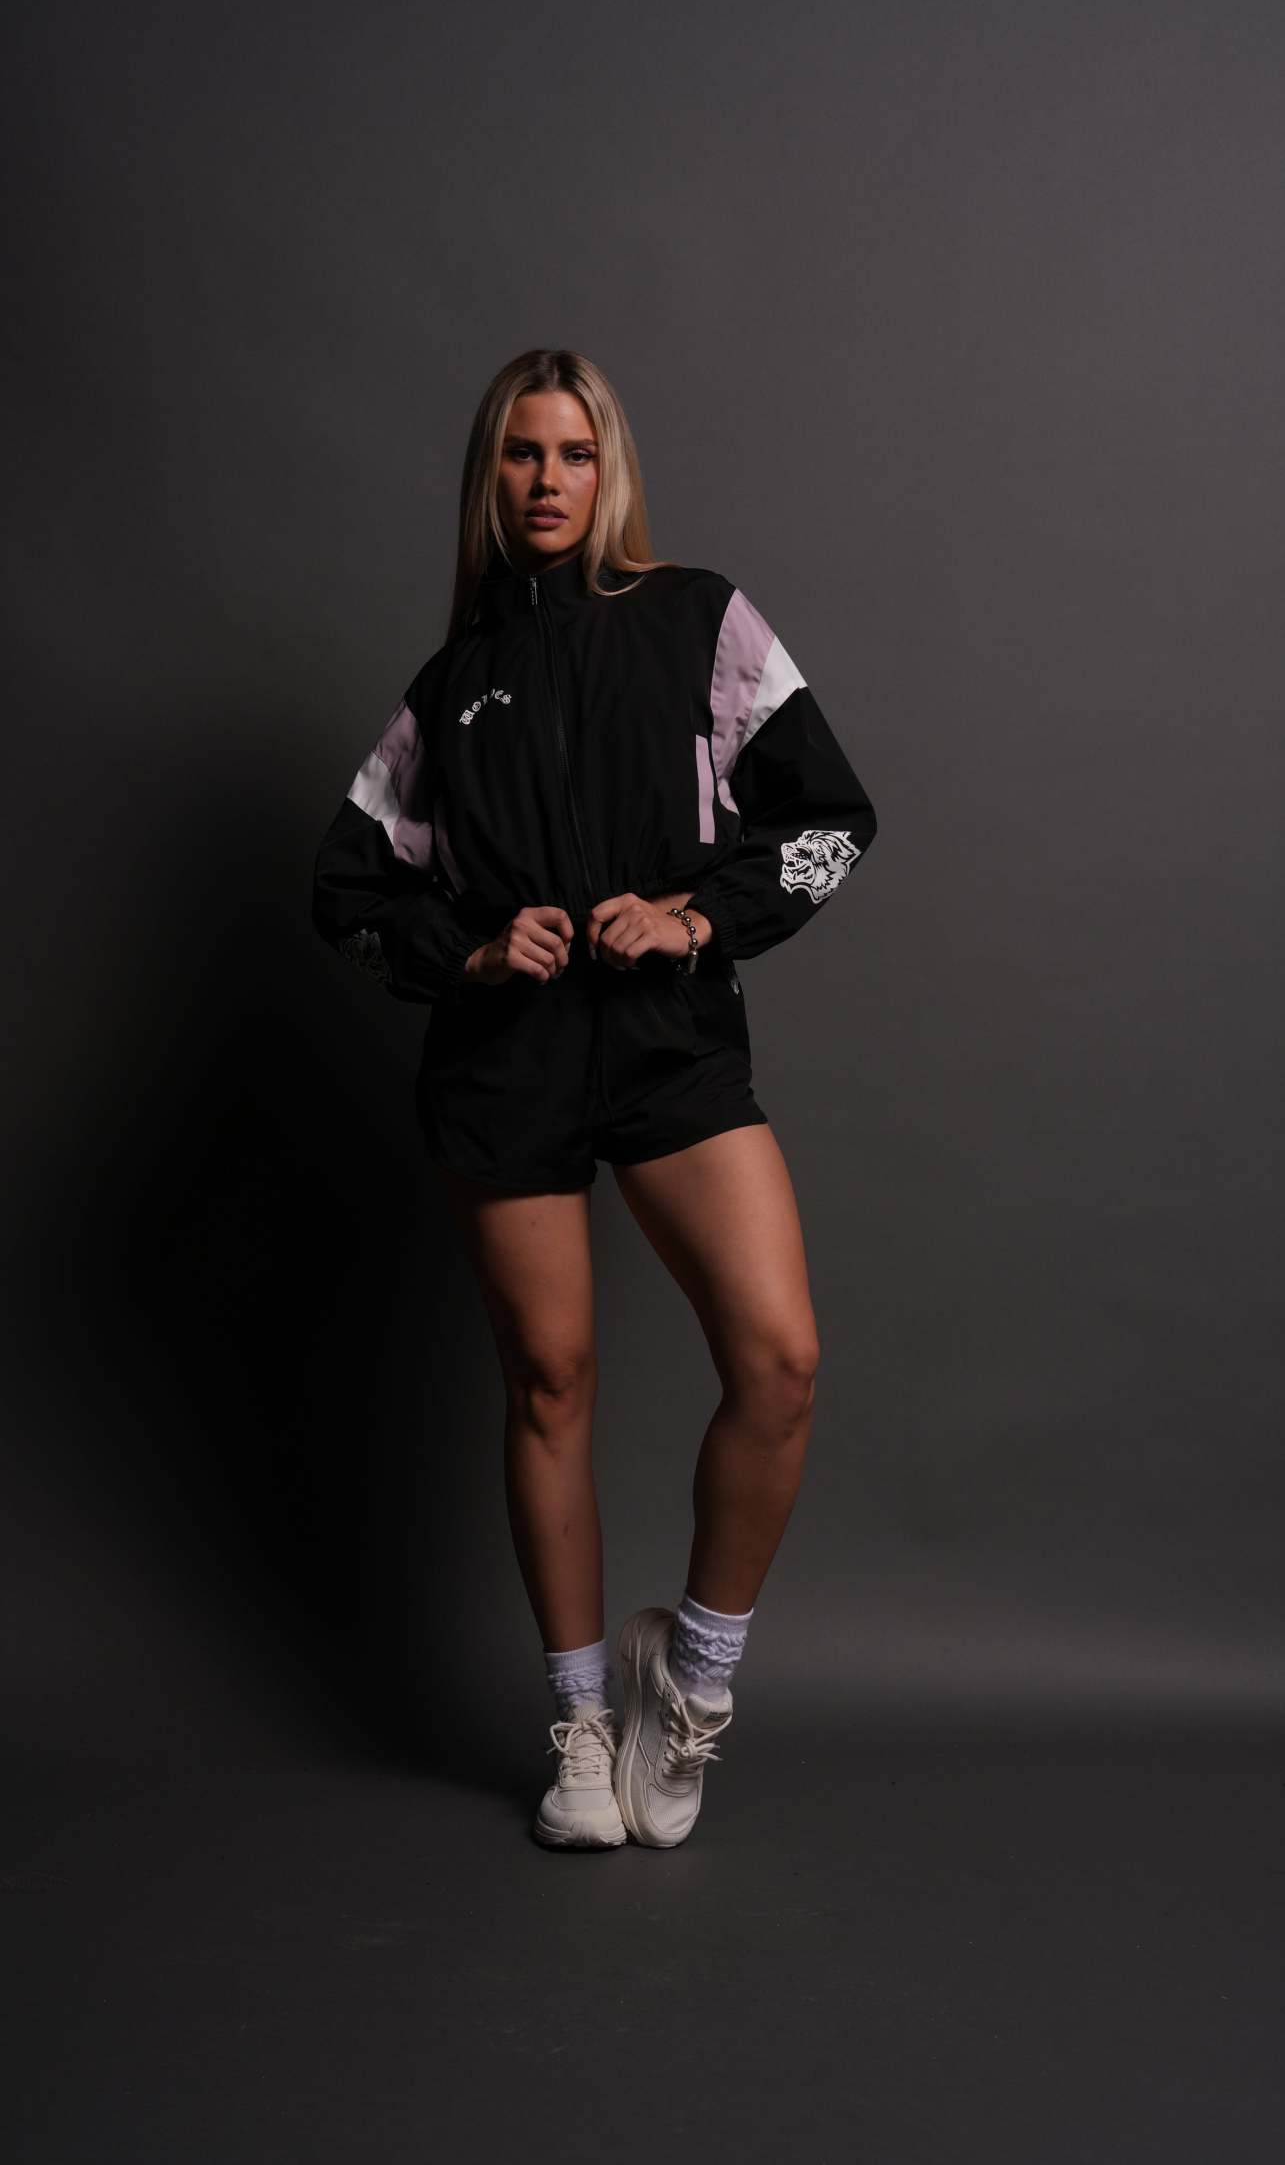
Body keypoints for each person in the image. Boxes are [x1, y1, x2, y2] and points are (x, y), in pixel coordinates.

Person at [312, 348, 878, 1850]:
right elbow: (345, 895)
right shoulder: (450, 690)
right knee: (549, 1386)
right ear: (488, 479)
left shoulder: (701, 621)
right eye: (520, 454)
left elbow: (832, 822)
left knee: (780, 1361)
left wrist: (696, 917)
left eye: (572, 452)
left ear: (608, 466)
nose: (547, 480)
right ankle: (576, 1723)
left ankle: (687, 1685)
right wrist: (469, 948)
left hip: (671, 1047)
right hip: (505, 1070)